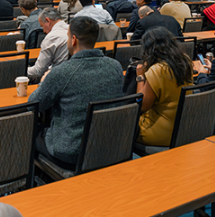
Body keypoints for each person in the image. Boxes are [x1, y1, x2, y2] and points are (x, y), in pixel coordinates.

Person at [28, 17, 125, 168]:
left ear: (73, 39)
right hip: (108, 146)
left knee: (30, 131)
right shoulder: (116, 66)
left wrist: (43, 81)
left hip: (71, 151)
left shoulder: (62, 72)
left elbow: (33, 105)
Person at [133, 27, 194, 147]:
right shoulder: (185, 61)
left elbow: (142, 106)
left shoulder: (157, 71)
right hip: (182, 127)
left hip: (159, 132)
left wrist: (140, 77)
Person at [27, 9, 70, 82]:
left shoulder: (51, 38)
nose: (43, 31)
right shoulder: (72, 29)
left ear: (47, 20)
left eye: (42, 26)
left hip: (58, 80)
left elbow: (38, 71)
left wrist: (21, 70)